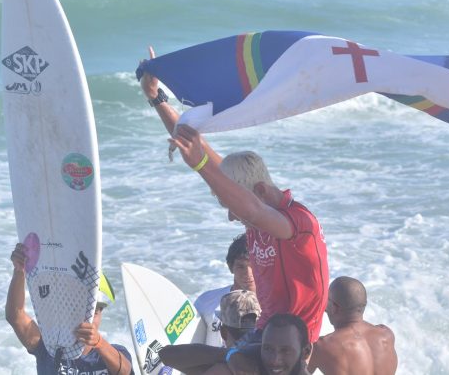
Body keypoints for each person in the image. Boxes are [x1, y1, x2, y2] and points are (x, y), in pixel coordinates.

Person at [140, 47, 329, 347]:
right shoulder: (257, 211)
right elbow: (196, 147)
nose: (231, 216)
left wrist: (201, 165)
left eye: (233, 207)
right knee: (176, 358)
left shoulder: (296, 223)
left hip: (291, 345)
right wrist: (156, 97)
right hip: (266, 332)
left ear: (259, 193)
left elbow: (250, 209)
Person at [6, 243, 133, 375]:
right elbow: (15, 316)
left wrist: (99, 343)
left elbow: (126, 372)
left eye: (94, 312)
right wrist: (19, 271)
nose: (87, 318)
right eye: (78, 310)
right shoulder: (47, 349)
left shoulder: (114, 354)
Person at [308, 276, 397, 375]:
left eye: (326, 301)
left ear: (334, 307)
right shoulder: (386, 335)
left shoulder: (322, 347)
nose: (325, 309)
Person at [161, 289, 262, 374]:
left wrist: (227, 354)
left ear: (223, 332)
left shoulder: (218, 367)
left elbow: (165, 355)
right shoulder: (272, 359)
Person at [194, 234, 256, 347]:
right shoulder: (206, 302)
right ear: (230, 267)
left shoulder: (274, 306)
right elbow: (192, 343)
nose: (248, 273)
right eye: (241, 267)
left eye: (254, 266)